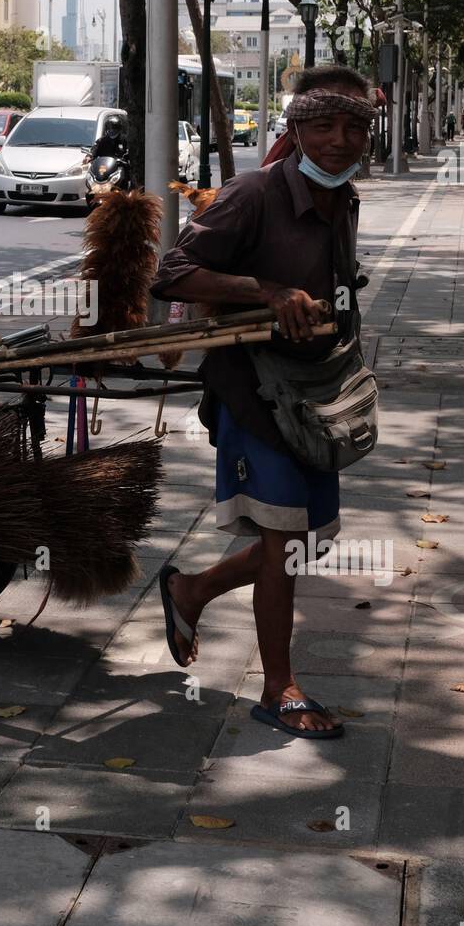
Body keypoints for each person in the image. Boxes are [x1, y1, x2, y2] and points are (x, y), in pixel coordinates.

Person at [150, 64, 372, 739]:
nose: (339, 140)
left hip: (317, 394)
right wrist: (268, 291)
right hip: (252, 392)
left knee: (302, 542)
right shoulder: (251, 195)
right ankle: (281, 688)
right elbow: (172, 274)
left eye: (354, 126)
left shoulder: (345, 200)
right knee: (282, 542)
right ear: (296, 129)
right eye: (324, 125)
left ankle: (192, 590)